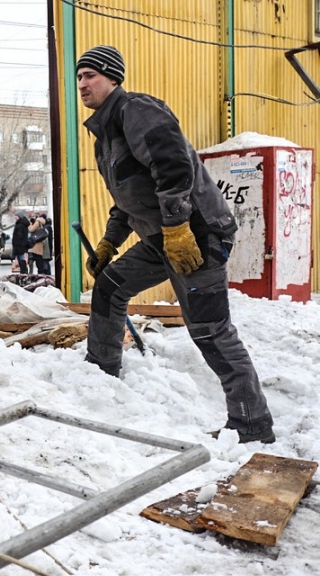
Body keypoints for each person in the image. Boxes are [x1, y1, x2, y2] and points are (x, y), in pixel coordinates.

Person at [76, 45, 274, 444]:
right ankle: (100, 374)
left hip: (196, 234)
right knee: (110, 285)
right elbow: (127, 201)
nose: (82, 84)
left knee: (210, 329)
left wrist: (179, 227)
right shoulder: (104, 138)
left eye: (91, 75)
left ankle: (252, 423)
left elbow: (174, 168)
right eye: (79, 77)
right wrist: (107, 246)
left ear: (113, 78)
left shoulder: (137, 110)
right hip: (159, 238)